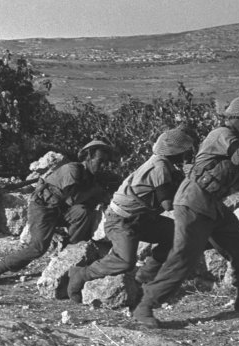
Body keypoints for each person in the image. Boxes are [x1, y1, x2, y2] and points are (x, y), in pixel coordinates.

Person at [132, 95, 239, 328]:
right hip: (193, 202)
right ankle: (144, 306)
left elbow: (237, 176)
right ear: (237, 119)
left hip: (212, 204)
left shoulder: (235, 140)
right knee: (184, 256)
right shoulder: (223, 134)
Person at [66, 128, 195, 303]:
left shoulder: (164, 163)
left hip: (141, 217)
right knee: (125, 261)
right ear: (175, 152)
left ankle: (144, 278)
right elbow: (168, 204)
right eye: (185, 151)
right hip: (121, 220)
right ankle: (81, 274)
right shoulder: (160, 167)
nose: (187, 155)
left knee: (176, 235)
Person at [0, 139, 114, 284]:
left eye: (105, 162)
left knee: (82, 212)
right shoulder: (72, 169)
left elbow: (85, 201)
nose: (103, 166)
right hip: (42, 208)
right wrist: (95, 191)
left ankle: (68, 253)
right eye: (100, 161)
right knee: (38, 248)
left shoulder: (90, 177)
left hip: (59, 210)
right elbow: (72, 199)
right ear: (89, 156)